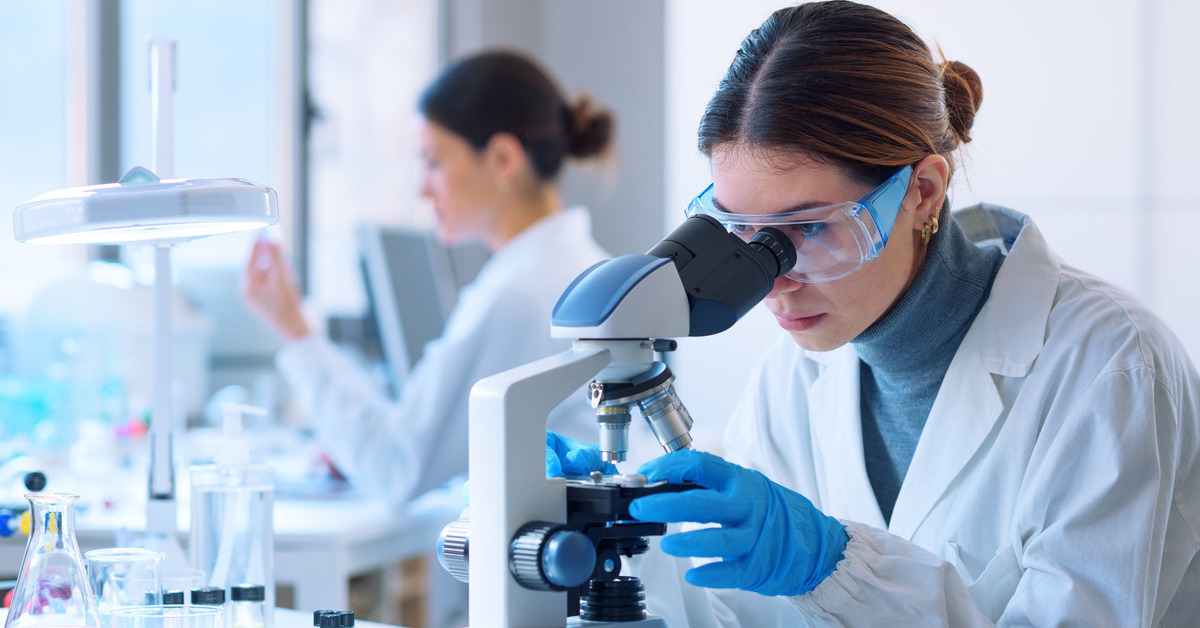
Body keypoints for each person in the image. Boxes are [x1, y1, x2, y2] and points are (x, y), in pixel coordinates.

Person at [549, 2, 1200, 625]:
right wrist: (630, 550)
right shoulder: (794, 380)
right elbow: (742, 616)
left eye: (806, 228)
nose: (772, 281)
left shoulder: (1111, 368)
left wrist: (832, 569)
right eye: (740, 230)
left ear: (921, 192)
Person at [243, 49, 625, 509]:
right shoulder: (582, 269)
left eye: (434, 161)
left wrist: (296, 331)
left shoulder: (520, 295)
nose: (422, 188)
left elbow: (397, 466)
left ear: (503, 158)